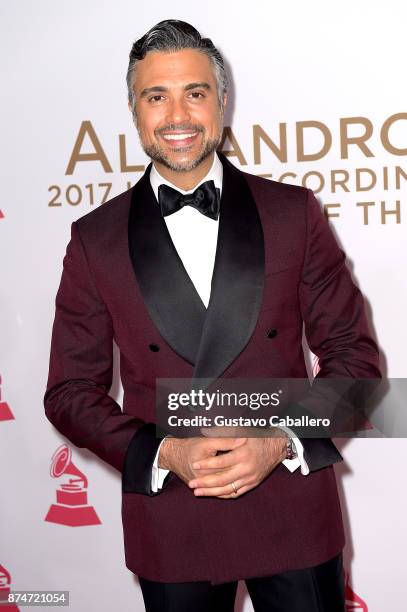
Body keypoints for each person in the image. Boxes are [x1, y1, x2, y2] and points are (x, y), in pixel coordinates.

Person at [44, 19, 380, 612]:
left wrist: (279, 440)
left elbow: (355, 360)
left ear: (222, 102)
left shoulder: (292, 213)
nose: (178, 114)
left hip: (292, 510)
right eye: (157, 95)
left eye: (195, 92)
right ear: (133, 108)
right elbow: (70, 391)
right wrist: (163, 452)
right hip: (174, 518)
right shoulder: (94, 240)